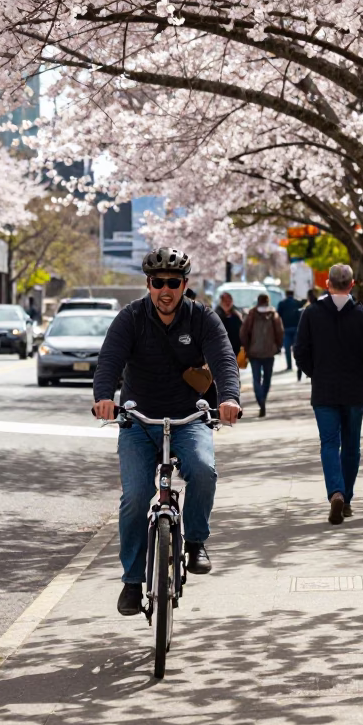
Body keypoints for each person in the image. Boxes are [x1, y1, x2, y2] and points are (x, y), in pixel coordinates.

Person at [93, 247, 241, 616]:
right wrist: (103, 398)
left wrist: (230, 399)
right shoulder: (131, 318)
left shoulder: (202, 317)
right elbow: (109, 360)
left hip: (188, 419)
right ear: (148, 284)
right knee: (136, 495)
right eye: (157, 283)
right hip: (138, 420)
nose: (165, 290)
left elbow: (223, 358)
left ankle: (194, 543)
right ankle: (131, 581)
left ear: (184, 285)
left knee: (204, 471)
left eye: (173, 283)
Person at [294, 263, 363, 524]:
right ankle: (347, 498)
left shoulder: (311, 314)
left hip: (324, 390)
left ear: (327, 284)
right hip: (354, 390)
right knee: (352, 446)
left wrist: (315, 373)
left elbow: (300, 351)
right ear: (352, 285)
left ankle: (336, 491)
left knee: (329, 444)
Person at [239, 292, 283, 416]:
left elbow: (243, 332)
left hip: (254, 353)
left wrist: (246, 347)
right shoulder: (274, 315)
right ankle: (263, 397)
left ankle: (260, 400)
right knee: (267, 378)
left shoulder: (251, 314)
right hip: (270, 352)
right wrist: (278, 346)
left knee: (256, 379)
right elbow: (280, 332)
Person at [277, 289, 303, 370]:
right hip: (297, 328)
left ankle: (289, 366)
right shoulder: (298, 303)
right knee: (297, 348)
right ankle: (299, 365)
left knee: (287, 349)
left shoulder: (282, 304)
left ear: (286, 294)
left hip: (286, 328)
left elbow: (278, 316)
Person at [215, 290, 243, 357]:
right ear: (221, 302)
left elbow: (241, 331)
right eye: (225, 301)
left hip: (235, 350)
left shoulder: (236, 315)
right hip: (220, 350)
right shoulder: (215, 316)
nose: (228, 303)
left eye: (229, 301)